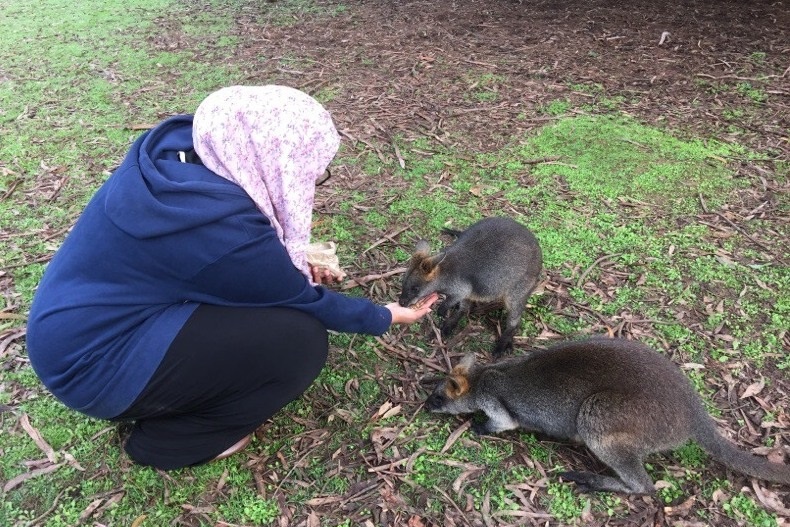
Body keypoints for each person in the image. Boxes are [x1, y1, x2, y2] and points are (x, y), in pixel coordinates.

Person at [26, 85, 438, 470]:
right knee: (298, 342)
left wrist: (273, 261)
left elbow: (227, 262)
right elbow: (300, 297)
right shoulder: (226, 231)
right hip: (96, 366)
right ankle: (172, 442)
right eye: (309, 172)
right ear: (273, 160)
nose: (310, 184)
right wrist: (383, 316)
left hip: (71, 326)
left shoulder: (180, 152)